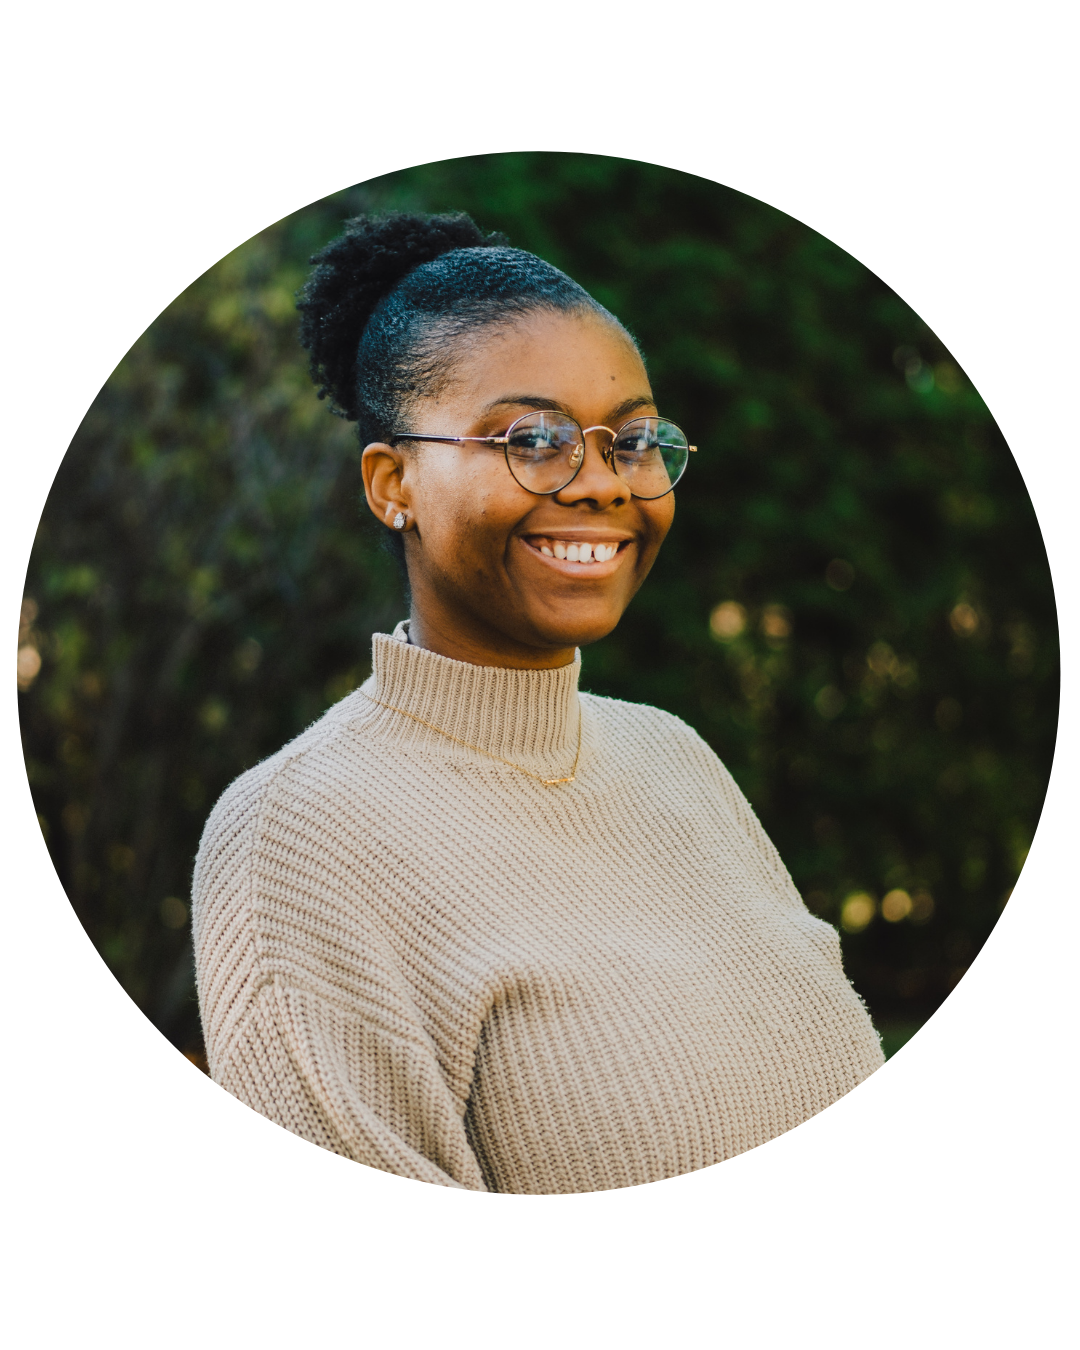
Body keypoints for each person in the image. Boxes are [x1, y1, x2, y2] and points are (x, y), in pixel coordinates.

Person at [191, 211, 886, 1198]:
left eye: (632, 440)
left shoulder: (672, 756)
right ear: (393, 484)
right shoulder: (296, 837)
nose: (602, 483)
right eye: (533, 439)